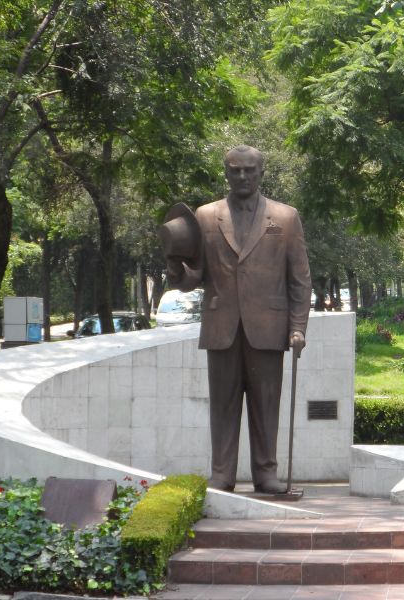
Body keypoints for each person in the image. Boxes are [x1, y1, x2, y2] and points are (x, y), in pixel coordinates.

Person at [161, 145, 311, 493]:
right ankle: (222, 473)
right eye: (235, 170)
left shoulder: (286, 217)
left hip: (269, 329)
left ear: (261, 172)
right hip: (222, 326)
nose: (242, 176)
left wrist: (298, 327)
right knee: (223, 405)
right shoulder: (205, 215)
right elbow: (192, 278)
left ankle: (266, 473)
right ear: (226, 173)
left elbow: (300, 280)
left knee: (266, 404)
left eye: (249, 170)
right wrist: (173, 267)